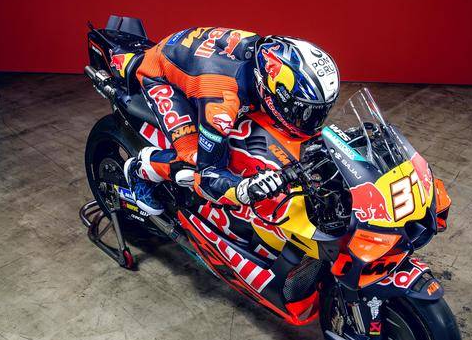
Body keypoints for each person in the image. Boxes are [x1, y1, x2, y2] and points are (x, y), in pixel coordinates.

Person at [123, 27, 340, 215]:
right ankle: (141, 169)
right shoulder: (222, 104)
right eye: (304, 112)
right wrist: (243, 190)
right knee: (192, 161)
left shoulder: (268, 56)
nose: (312, 122)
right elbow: (206, 178)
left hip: (197, 59)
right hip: (159, 71)